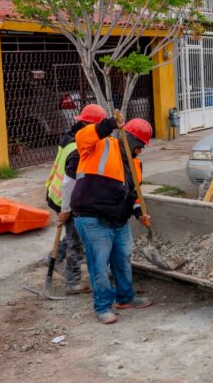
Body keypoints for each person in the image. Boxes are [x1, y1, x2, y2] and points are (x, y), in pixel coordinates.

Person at [71, 113, 154, 324]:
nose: (140, 150)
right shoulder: (100, 146)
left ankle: (126, 298)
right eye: (140, 145)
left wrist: (139, 213)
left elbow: (134, 196)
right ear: (131, 139)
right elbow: (82, 137)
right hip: (93, 219)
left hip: (119, 220)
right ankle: (103, 307)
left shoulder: (136, 166)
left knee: (123, 260)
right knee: (99, 265)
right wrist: (108, 124)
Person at [45, 104, 106, 294]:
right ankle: (72, 283)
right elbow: (69, 183)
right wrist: (65, 210)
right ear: (90, 127)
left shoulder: (69, 136)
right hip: (65, 197)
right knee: (76, 241)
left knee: (73, 233)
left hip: (55, 192)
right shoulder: (78, 149)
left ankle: (54, 257)